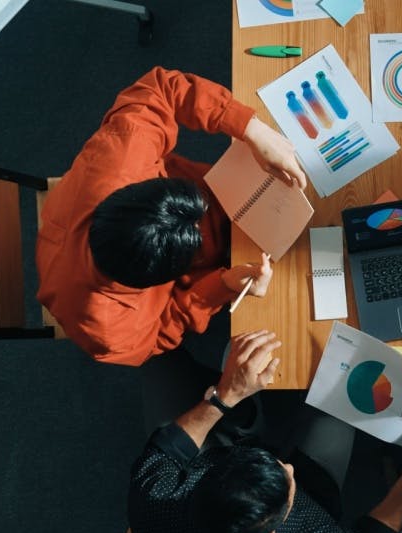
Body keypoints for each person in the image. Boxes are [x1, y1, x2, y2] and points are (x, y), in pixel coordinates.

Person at [128, 330, 402, 533]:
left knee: (156, 352)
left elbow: (168, 447)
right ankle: (251, 419)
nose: (290, 470)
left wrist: (226, 396)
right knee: (343, 402)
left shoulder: (152, 498)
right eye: (288, 482)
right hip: (317, 490)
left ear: (205, 474)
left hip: (200, 507)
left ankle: (242, 418)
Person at [36, 67, 307, 367]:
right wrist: (221, 288)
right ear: (152, 283)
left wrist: (251, 129)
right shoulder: (106, 329)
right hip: (208, 281)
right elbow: (162, 332)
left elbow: (162, 88)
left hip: (226, 190)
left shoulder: (123, 159)